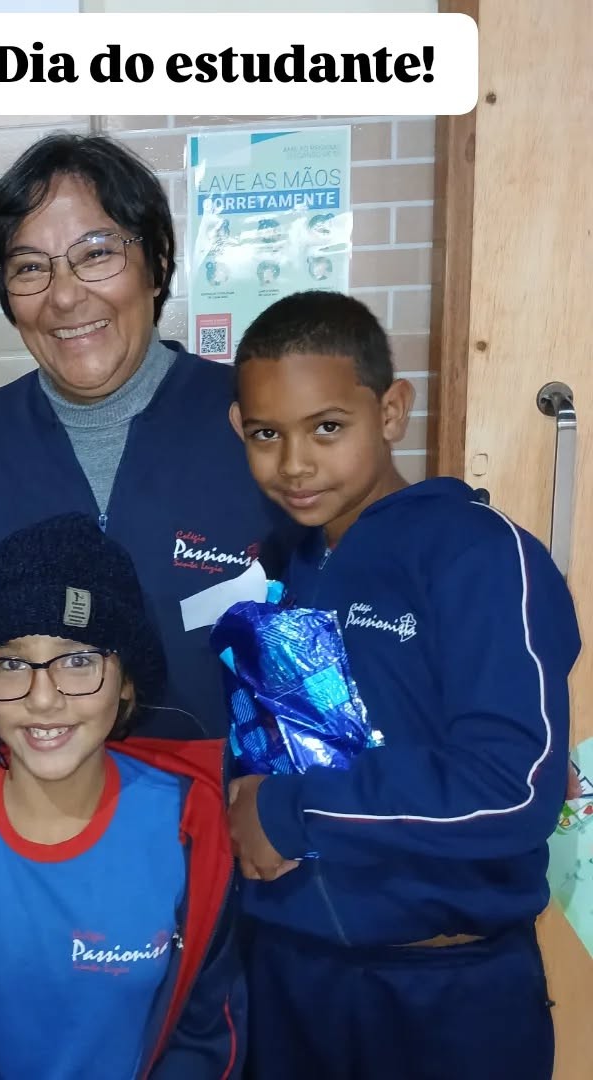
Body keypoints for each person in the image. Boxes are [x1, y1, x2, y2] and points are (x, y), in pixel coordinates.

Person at [226, 290, 580, 1080]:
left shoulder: (481, 555)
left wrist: (289, 812)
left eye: (327, 427)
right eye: (266, 434)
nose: (295, 463)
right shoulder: (284, 567)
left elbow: (513, 788)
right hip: (288, 976)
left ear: (391, 411)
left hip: (446, 991)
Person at [0, 132, 293, 739]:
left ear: (157, 264)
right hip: (23, 797)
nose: (64, 295)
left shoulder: (253, 422)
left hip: (226, 793)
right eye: (30, 267)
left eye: (96, 254)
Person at [0, 513, 242, 1080]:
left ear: (127, 681)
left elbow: (209, 1031)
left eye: (78, 661)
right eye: (12, 664)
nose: (41, 697)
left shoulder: (196, 826)